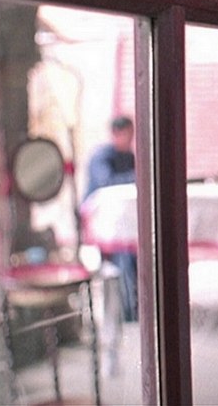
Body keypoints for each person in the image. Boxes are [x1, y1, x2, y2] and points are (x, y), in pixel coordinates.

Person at [84, 115, 137, 321]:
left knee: (132, 253)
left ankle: (134, 307)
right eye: (127, 135)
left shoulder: (129, 157)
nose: (130, 139)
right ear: (116, 134)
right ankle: (127, 311)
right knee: (122, 256)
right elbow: (106, 182)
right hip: (101, 222)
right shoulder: (101, 157)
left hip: (123, 222)